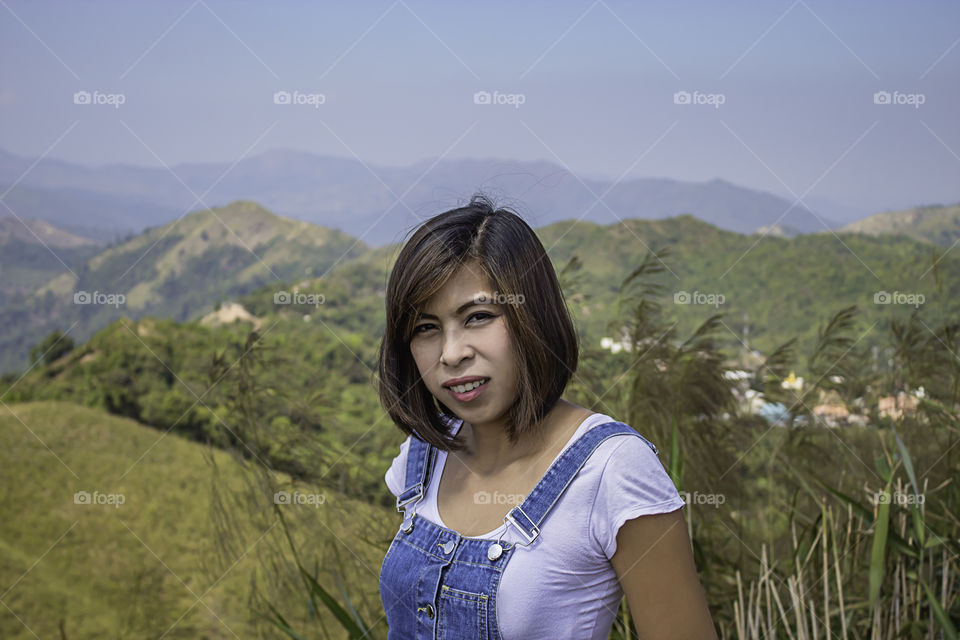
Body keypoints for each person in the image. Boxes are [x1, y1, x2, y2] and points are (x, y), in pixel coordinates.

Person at [377, 194, 717, 639]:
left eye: (478, 317)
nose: (452, 353)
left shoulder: (612, 470)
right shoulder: (422, 457)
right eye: (426, 328)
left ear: (531, 317)